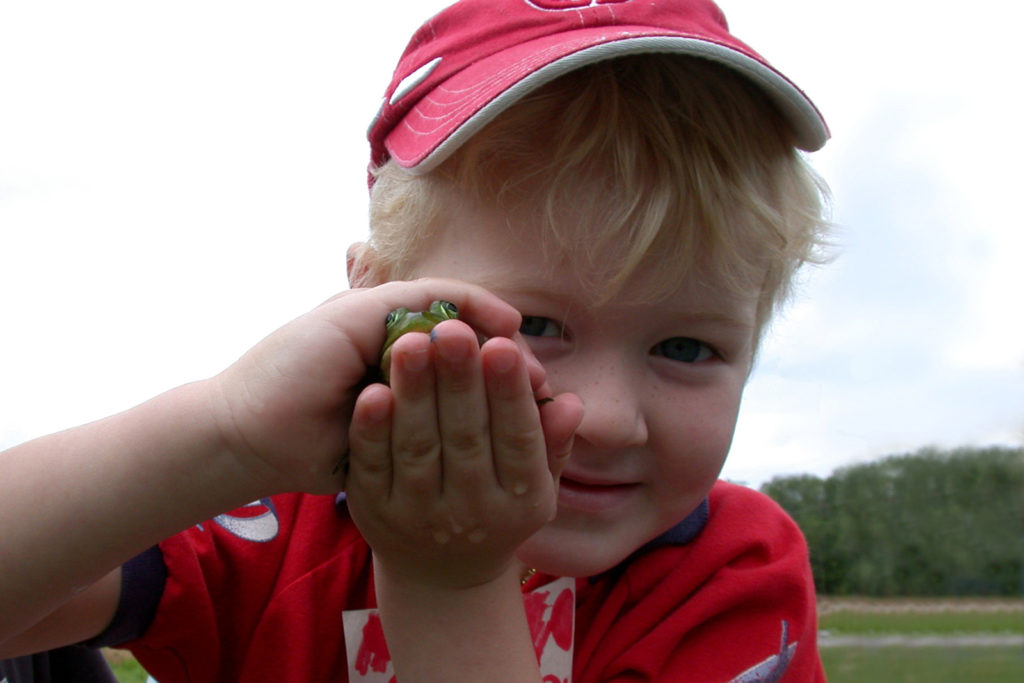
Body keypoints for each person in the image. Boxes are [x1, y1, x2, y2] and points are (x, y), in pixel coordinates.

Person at [0, 0, 833, 680]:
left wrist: (451, 584)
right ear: (370, 299)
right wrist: (228, 432)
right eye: (535, 327)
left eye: (686, 349)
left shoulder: (730, 577)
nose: (608, 417)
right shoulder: (278, 527)